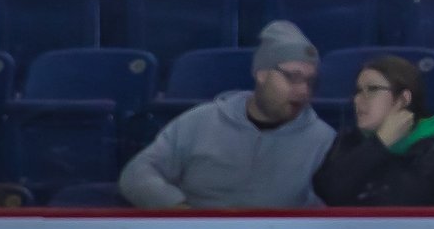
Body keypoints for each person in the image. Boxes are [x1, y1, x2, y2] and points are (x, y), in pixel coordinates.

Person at [119, 23, 329, 209]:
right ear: (261, 74)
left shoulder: (325, 141)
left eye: (310, 81)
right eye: (293, 77)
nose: (303, 91)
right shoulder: (200, 121)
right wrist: (180, 211)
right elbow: (136, 174)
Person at [313, 54, 434, 207]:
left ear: (403, 99)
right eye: (358, 91)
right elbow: (328, 191)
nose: (358, 99)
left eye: (372, 89)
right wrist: (380, 144)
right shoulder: (347, 141)